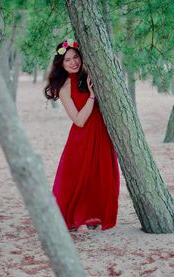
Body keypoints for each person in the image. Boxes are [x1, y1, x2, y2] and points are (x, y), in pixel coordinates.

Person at [45, 38, 120, 232]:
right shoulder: (63, 88)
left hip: (102, 133)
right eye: (67, 59)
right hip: (82, 136)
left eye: (75, 57)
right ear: (61, 64)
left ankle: (94, 216)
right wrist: (92, 96)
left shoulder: (90, 75)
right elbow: (79, 120)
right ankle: (77, 218)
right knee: (79, 179)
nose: (73, 62)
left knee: (102, 176)